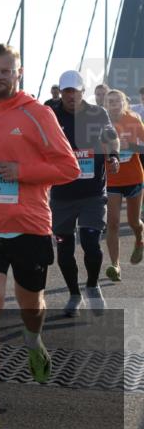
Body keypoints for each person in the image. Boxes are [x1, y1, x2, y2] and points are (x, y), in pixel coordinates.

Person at [0, 43, 80, 427]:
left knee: (31, 304)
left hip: (29, 225)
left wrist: (19, 171)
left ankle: (32, 339)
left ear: (18, 74)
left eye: (6, 71)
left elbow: (68, 166)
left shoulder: (37, 114)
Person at [49, 70, 120, 316]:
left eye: (75, 91)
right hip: (62, 195)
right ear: (61, 92)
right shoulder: (51, 114)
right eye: (66, 91)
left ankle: (92, 285)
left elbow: (112, 137)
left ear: (82, 92)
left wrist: (113, 156)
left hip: (92, 192)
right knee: (64, 249)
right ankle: (74, 294)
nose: (70, 96)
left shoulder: (97, 114)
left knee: (91, 242)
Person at [102, 89, 144, 278]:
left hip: (133, 176)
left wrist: (130, 146)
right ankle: (115, 266)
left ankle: (139, 238)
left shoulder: (134, 120)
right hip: (112, 179)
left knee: (134, 221)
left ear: (124, 103)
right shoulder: (101, 123)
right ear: (105, 104)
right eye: (109, 101)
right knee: (113, 223)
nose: (113, 104)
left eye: (117, 101)